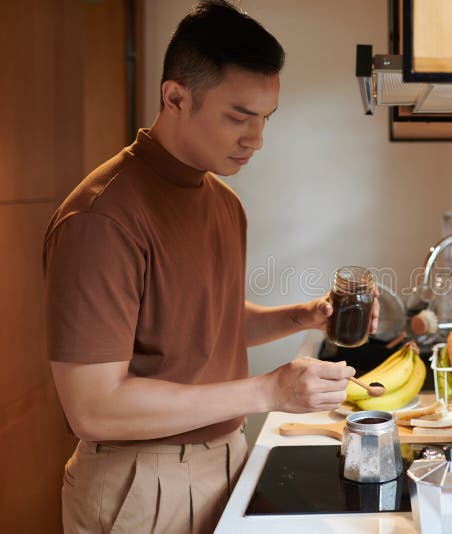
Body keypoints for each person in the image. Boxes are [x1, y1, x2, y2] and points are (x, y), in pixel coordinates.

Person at [42, 2, 377, 532]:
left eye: (266, 119)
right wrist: (268, 391)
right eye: (238, 117)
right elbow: (93, 407)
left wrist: (304, 315)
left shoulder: (223, 203)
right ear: (175, 97)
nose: (257, 139)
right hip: (140, 484)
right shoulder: (100, 218)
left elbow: (204, 325)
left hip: (227, 458)